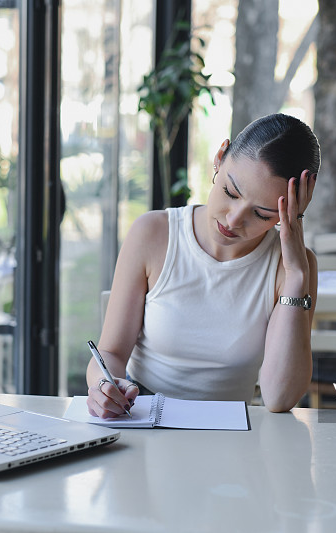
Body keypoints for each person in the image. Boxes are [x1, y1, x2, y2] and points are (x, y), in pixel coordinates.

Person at [85, 112, 320, 418]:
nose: (233, 219)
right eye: (230, 192)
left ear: (292, 210)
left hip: (232, 433)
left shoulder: (292, 269)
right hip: (142, 420)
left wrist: (297, 276)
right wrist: (105, 386)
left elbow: (278, 397)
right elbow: (111, 352)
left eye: (262, 214)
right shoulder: (153, 234)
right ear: (219, 158)